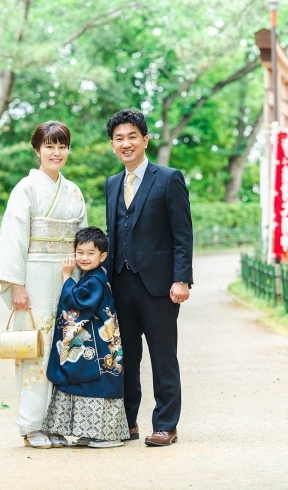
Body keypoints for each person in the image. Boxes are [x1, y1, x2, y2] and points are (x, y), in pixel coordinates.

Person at [0, 121, 88, 449]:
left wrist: (84, 278)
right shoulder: (26, 188)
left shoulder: (74, 191)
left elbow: (83, 239)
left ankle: (56, 424)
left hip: (67, 274)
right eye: (50, 146)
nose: (57, 152)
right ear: (37, 150)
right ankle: (31, 425)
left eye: (62, 146)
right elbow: (14, 237)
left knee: (65, 347)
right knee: (37, 348)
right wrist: (16, 284)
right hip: (33, 274)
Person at [103, 109, 193, 447]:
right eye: (119, 139)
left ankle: (166, 424)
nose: (126, 144)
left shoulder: (169, 178)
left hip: (160, 286)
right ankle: (127, 422)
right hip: (120, 284)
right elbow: (115, 233)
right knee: (125, 357)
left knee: (162, 355)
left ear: (145, 139)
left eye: (132, 137)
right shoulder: (112, 183)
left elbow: (182, 235)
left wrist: (181, 279)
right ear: (112, 145)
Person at [42, 226, 130, 448]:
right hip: (100, 344)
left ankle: (108, 435)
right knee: (92, 381)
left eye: (91, 253)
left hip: (100, 347)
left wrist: (66, 278)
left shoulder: (95, 281)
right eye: (79, 252)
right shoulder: (92, 278)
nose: (83, 257)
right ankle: (92, 433)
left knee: (97, 381)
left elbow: (79, 305)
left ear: (103, 256)